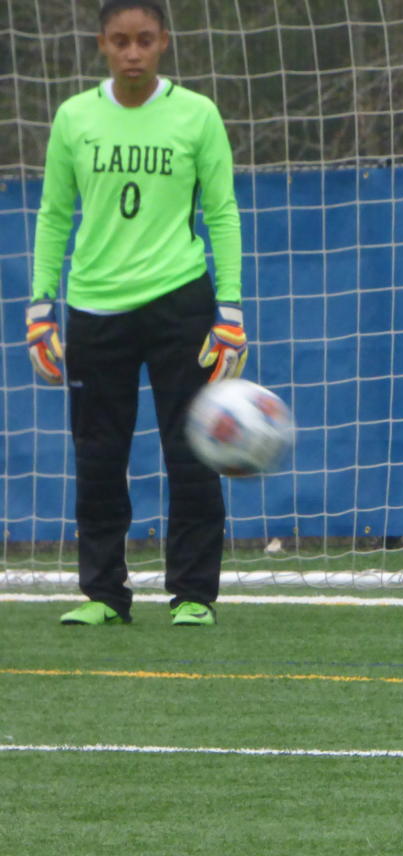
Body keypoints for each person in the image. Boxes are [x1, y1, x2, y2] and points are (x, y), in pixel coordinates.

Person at [26, 0, 247, 627]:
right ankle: (102, 593)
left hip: (180, 300)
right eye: (120, 41)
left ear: (163, 44)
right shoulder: (75, 117)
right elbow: (52, 214)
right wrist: (41, 305)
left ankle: (194, 595)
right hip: (95, 308)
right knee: (99, 453)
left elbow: (222, 213)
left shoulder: (196, 114)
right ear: (102, 45)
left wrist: (228, 306)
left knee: (193, 449)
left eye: (144, 40)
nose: (132, 52)